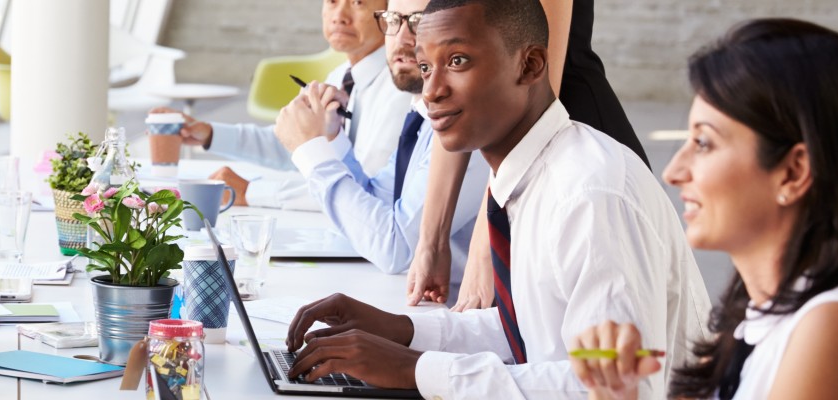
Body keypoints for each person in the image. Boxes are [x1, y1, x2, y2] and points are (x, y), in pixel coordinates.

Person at [275, 0, 711, 398]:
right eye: (427, 68)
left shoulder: (589, 193)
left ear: (531, 65)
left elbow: (619, 387)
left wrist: (416, 368)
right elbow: (534, 330)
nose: (432, 92)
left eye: (457, 61)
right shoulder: (526, 175)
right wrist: (401, 330)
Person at [570, 19, 838, 400]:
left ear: (793, 172)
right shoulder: (751, 317)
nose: (673, 171)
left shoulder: (829, 326)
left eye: (704, 143)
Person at [406, 0, 652, 310]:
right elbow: (448, 103)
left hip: (571, 141)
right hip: (511, 143)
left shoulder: (591, 189)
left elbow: (537, 72)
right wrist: (431, 241)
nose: (430, 91)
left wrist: (486, 253)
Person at [266, 0, 488, 277]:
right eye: (393, 20)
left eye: (419, 21)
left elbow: (396, 250)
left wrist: (310, 152)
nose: (402, 38)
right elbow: (377, 202)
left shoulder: (469, 126)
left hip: (454, 310)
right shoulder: (419, 115)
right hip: (408, 298)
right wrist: (331, 137)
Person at [153, 0, 411, 211]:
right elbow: (295, 145)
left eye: (358, 3)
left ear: (390, 15)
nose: (339, 16)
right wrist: (209, 133)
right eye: (332, 2)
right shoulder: (342, 75)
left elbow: (364, 191)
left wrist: (251, 192)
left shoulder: (400, 90)